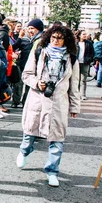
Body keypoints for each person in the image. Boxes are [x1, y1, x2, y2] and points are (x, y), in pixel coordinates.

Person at [16, 24, 80, 187]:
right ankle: (24, 151)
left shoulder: (71, 57)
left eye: (60, 38)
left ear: (66, 40)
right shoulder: (39, 51)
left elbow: (74, 83)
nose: (56, 41)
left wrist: (74, 106)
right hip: (38, 98)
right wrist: (37, 83)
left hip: (59, 102)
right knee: (30, 131)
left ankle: (52, 171)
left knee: (57, 137)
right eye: (53, 37)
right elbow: (26, 74)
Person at [76, 30, 94, 100]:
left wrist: (90, 59)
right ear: (79, 35)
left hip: (85, 63)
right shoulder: (76, 43)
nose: (85, 35)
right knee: (77, 80)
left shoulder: (89, 43)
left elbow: (92, 52)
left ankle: (83, 94)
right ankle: (76, 94)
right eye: (83, 34)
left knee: (83, 80)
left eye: (85, 34)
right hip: (76, 63)